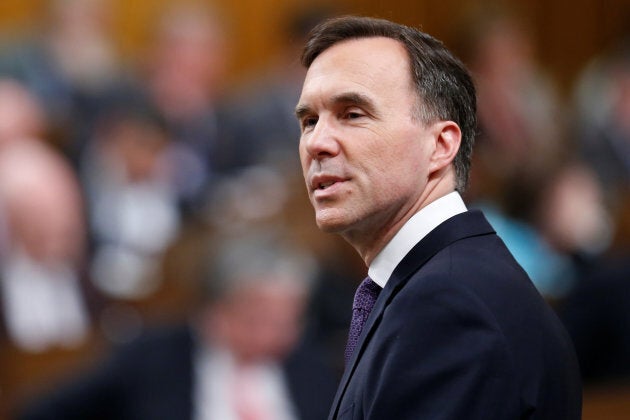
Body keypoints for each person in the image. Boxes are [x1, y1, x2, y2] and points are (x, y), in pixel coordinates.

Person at [294, 16, 582, 419]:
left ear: (441, 145)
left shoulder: (446, 305)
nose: (317, 143)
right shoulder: (443, 282)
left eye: (353, 113)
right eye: (309, 121)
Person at [15, 230, 337, 420]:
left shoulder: (313, 367)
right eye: (260, 318)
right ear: (217, 310)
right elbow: (45, 411)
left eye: (290, 320)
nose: (279, 333)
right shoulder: (150, 359)